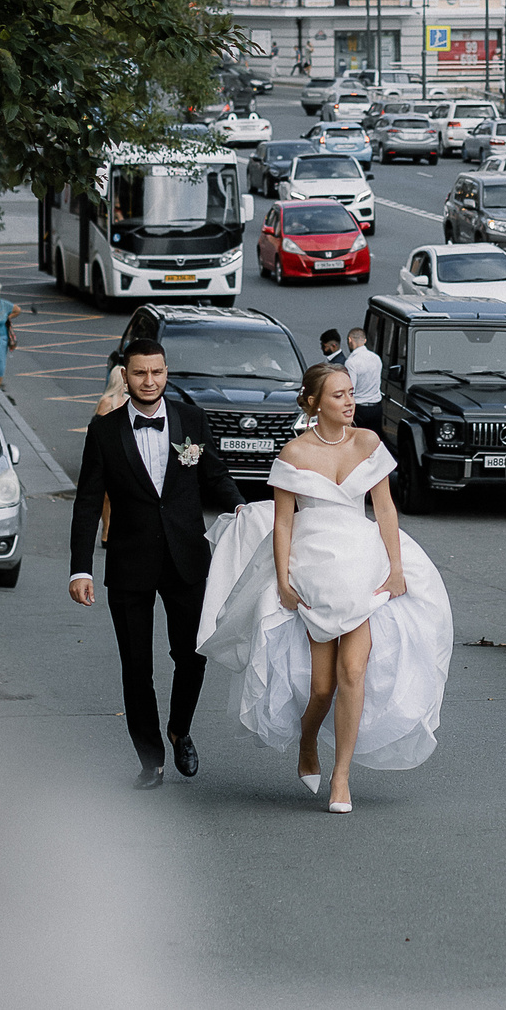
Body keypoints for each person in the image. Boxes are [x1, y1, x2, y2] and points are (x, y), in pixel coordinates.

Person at [197, 362, 453, 812]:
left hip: (362, 565)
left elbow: (386, 510)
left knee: (353, 672)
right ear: (314, 402)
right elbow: (281, 525)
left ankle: (341, 777)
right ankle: (308, 741)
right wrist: (282, 581)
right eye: (338, 395)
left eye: (352, 393)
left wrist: (396, 570)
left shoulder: (368, 442)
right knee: (320, 687)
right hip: (313, 570)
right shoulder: (294, 454)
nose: (350, 402)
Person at [68, 338, 242, 788]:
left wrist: (242, 510)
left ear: (167, 373)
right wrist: (81, 568)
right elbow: (87, 502)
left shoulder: (191, 419)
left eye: (158, 372)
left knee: (192, 655)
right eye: (141, 373)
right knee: (136, 665)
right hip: (129, 563)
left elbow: (215, 475)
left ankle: (179, 729)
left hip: (186, 559)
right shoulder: (104, 432)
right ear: (125, 375)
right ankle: (151, 759)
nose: (150, 381)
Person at [344, 327, 383, 409]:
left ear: (350, 340)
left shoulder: (351, 362)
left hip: (359, 406)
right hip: (376, 406)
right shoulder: (376, 358)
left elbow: (351, 388)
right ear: (365, 341)